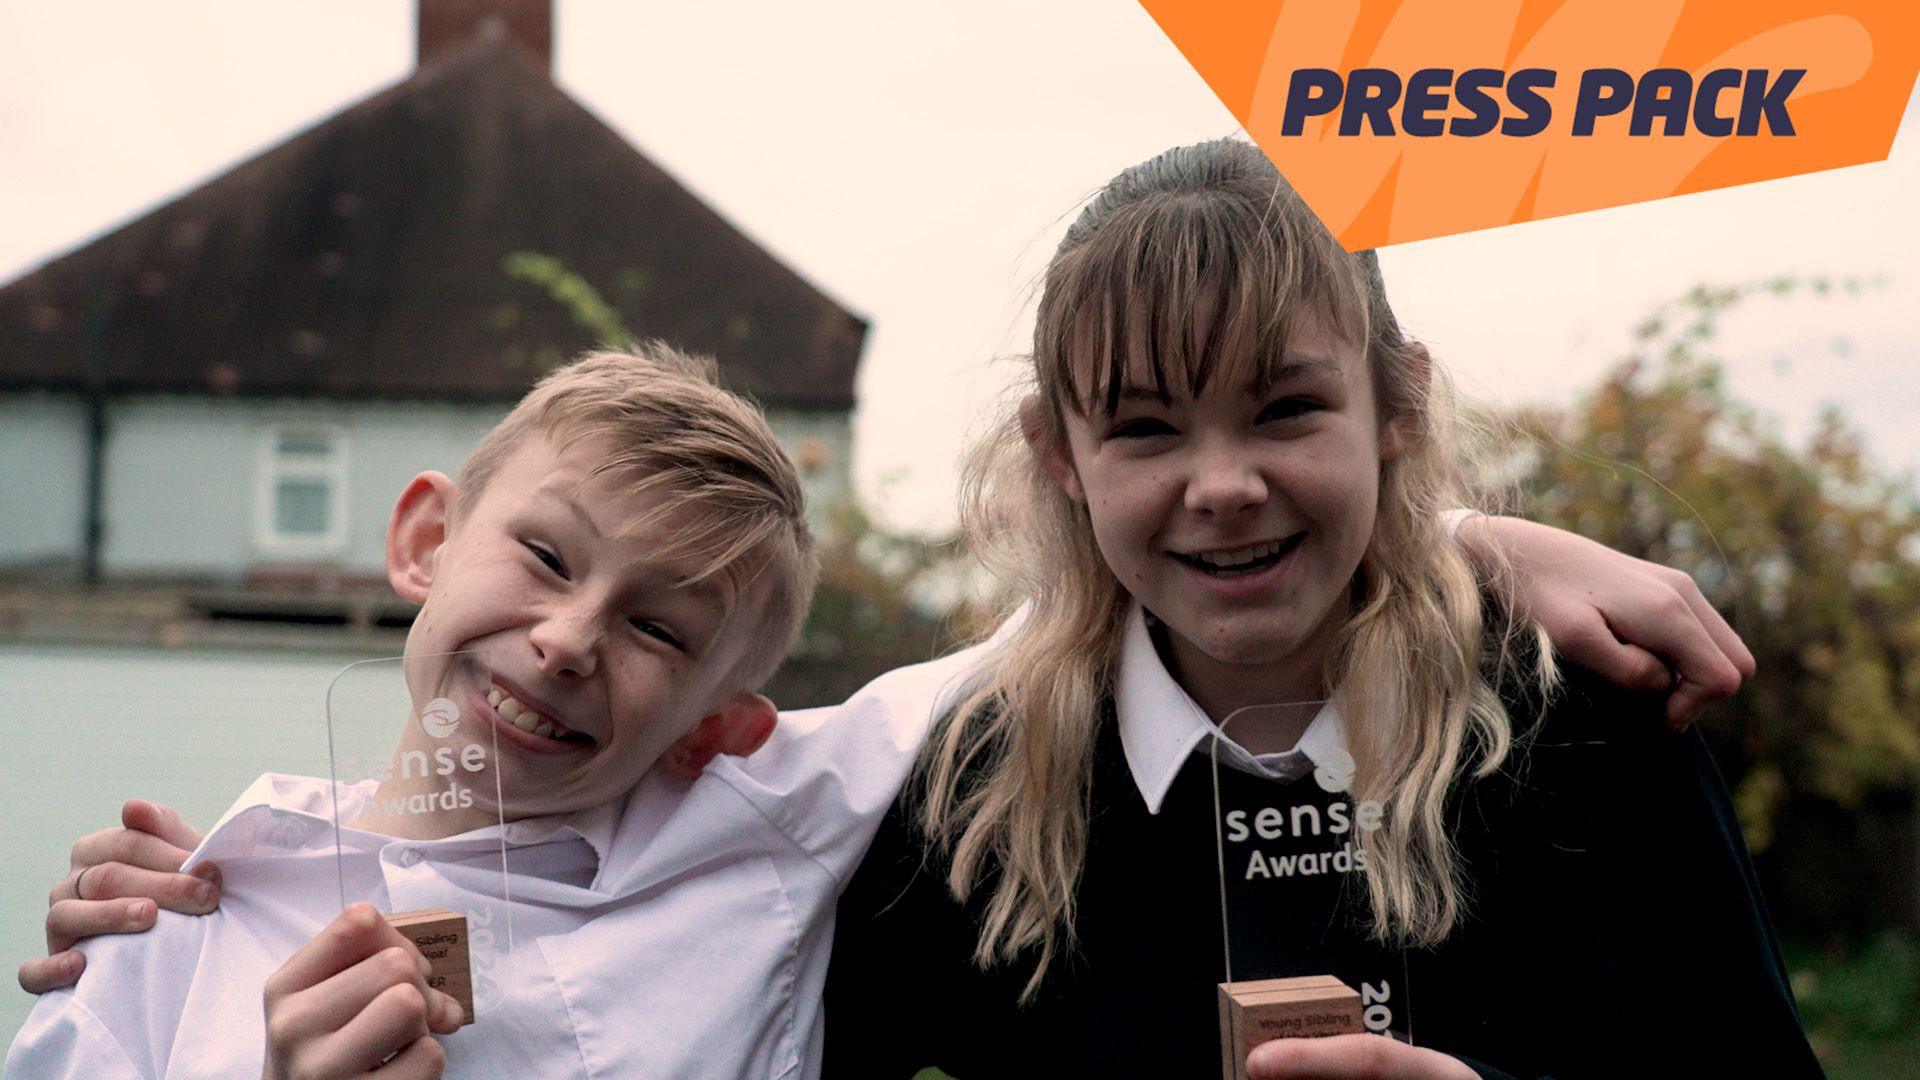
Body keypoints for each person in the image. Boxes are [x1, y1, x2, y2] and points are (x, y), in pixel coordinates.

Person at [15, 195, 1762, 1080]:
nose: (565, 644)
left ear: (729, 719)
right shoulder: (177, 913)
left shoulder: (787, 820)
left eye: (659, 629)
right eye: (1146, 429)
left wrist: (1459, 538)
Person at [821, 140, 1818, 1079]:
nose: (1222, 485)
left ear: (1399, 404)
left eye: (1286, 409)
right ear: (1059, 454)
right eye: (1145, 427)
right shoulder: (974, 797)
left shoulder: (1582, 726)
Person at [6, 343, 833, 1077]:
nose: (569, 641)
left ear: (710, 732)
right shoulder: (162, 938)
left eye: (656, 629)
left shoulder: (763, 913)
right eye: (546, 555)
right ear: (426, 542)